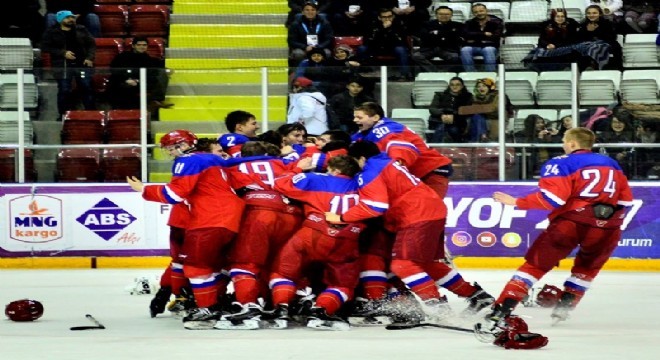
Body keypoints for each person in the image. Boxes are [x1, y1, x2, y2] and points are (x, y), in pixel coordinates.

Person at [479, 127, 633, 342]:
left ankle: (501, 311)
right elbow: (626, 201)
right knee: (587, 268)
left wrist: (517, 202)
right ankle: (564, 308)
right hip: (609, 225)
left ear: (571, 144)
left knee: (534, 266)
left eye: (563, 140)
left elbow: (553, 199)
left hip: (571, 222)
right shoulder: (612, 164)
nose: (563, 144)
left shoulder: (560, 162)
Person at [326, 141, 495, 323]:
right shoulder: (387, 161)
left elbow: (375, 206)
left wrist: (342, 217)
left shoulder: (369, 172)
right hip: (431, 209)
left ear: (361, 158)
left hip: (417, 215)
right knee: (425, 264)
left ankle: (437, 306)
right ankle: (477, 296)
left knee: (402, 265)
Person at [126, 130, 246, 329]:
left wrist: (143, 189)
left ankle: (207, 309)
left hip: (210, 218)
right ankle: (215, 302)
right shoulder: (213, 159)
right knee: (215, 265)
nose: (171, 153)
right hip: (230, 217)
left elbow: (174, 195)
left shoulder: (188, 160)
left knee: (195, 267)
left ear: (183, 145)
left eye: (172, 148)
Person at [216, 141, 306, 329]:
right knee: (280, 266)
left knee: (244, 263)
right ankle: (281, 309)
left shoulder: (232, 166)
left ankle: (248, 308)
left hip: (257, 213)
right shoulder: (281, 163)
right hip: (291, 214)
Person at [269, 155, 365, 330]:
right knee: (343, 285)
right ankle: (321, 310)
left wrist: (297, 168)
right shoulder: (365, 186)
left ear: (335, 170)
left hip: (312, 232)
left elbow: (279, 183)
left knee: (283, 272)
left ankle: (281, 308)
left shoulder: (316, 178)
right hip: (347, 238)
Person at [41, 10, 96, 119]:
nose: (71, 19)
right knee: (64, 90)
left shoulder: (81, 29)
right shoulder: (52, 31)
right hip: (63, 66)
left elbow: (91, 44)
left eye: (72, 17)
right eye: (68, 18)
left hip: (82, 65)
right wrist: (63, 53)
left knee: (86, 87)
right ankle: (62, 115)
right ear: (60, 20)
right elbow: (45, 47)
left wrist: (90, 58)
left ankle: (91, 113)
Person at [108, 36, 171, 110]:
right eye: (139, 45)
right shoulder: (122, 57)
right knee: (122, 87)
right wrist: (125, 80)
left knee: (162, 73)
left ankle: (155, 100)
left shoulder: (149, 59)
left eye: (144, 45)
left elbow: (157, 69)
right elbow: (114, 70)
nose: (142, 47)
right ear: (133, 46)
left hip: (141, 82)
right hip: (124, 82)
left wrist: (167, 70)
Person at [358, 8, 412, 81]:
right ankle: (364, 72)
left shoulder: (398, 25)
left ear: (393, 16)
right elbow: (369, 42)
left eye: (389, 16)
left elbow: (401, 42)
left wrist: (389, 30)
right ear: (379, 18)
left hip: (392, 49)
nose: (387, 19)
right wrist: (383, 29)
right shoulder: (373, 25)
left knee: (401, 49)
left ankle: (404, 75)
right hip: (376, 48)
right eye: (384, 17)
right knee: (362, 48)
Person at [458, 78, 514, 142]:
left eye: (484, 86)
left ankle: (478, 141)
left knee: (477, 116)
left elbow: (495, 109)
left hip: (497, 119)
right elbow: (462, 110)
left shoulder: (499, 95)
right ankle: (480, 140)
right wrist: (483, 109)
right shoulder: (474, 98)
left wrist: (478, 109)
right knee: (477, 117)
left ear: (490, 87)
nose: (481, 88)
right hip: (481, 120)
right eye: (479, 86)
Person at [412, 6, 463, 72]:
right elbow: (424, 37)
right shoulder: (426, 24)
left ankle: (444, 72)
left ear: (451, 15)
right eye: (441, 14)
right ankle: (435, 72)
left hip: (448, 49)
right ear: (436, 15)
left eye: (447, 14)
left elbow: (456, 39)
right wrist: (447, 34)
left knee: (455, 57)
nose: (444, 16)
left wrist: (436, 34)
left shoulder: (458, 25)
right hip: (429, 48)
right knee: (416, 56)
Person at [577, 5, 623, 70]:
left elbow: (611, 37)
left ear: (600, 14)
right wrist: (588, 32)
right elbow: (580, 39)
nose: (591, 15)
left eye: (594, 13)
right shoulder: (583, 24)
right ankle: (587, 68)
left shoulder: (607, 23)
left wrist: (594, 31)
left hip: (606, 44)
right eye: (589, 13)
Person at [460, 3, 504, 72]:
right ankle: (470, 73)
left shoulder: (497, 22)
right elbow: (466, 35)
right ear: (473, 13)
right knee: (465, 49)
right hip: (473, 46)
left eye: (481, 11)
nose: (479, 13)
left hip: (490, 46)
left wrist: (474, 37)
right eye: (476, 12)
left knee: (488, 50)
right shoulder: (469, 23)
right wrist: (484, 34)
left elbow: (496, 36)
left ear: (486, 10)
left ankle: (490, 74)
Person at [428, 76, 473, 143]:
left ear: (462, 86)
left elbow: (467, 111)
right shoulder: (440, 95)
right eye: (452, 85)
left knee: (452, 130)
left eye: (458, 85)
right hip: (440, 120)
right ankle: (436, 149)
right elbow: (432, 108)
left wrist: (453, 117)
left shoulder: (468, 96)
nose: (454, 87)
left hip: (458, 122)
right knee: (442, 127)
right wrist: (442, 115)